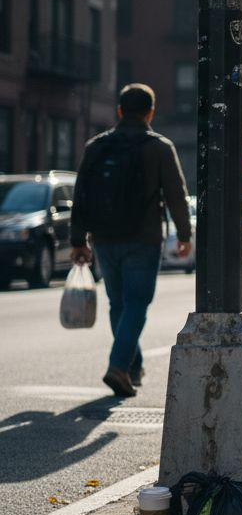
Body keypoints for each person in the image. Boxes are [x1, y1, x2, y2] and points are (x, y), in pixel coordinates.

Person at [70, 84, 192, 398]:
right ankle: (118, 366)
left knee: (118, 303)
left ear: (120, 111)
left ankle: (132, 366)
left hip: (104, 238)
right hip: (144, 237)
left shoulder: (96, 146)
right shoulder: (160, 148)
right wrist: (185, 234)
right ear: (151, 112)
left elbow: (80, 195)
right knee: (137, 304)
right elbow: (176, 195)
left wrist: (78, 240)